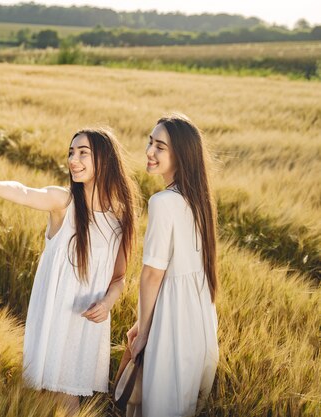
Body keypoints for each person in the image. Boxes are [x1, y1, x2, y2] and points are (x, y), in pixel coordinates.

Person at [0, 127, 137, 415]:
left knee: (63, 397)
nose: (73, 159)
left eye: (83, 153)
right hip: (54, 317)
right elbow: (24, 192)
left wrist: (108, 303)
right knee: (51, 395)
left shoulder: (119, 218)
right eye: (71, 152)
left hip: (85, 322)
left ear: (105, 159)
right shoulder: (63, 203)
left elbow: (119, 277)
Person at [127, 114, 219, 417]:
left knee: (160, 406)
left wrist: (143, 330)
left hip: (172, 318)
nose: (149, 152)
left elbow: (153, 274)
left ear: (180, 155)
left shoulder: (163, 202)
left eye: (160, 147)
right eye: (150, 142)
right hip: (201, 317)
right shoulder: (200, 200)